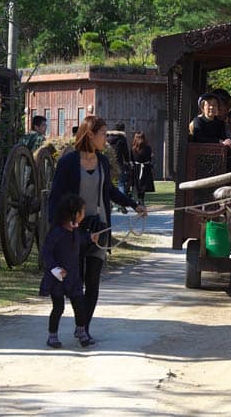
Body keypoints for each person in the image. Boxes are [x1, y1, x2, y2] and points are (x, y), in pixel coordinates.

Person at [48, 115, 146, 343]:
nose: (106, 138)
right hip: (74, 230)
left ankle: (83, 327)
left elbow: (110, 191)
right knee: (75, 280)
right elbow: (55, 199)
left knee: (92, 281)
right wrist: (59, 228)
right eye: (103, 134)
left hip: (100, 228)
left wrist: (133, 204)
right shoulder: (68, 162)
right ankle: (70, 325)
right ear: (90, 135)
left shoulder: (102, 161)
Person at [39, 193, 96, 348]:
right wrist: (55, 269)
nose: (84, 215)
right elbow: (46, 252)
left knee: (80, 305)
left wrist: (91, 238)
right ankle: (52, 336)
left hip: (73, 277)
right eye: (82, 211)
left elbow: (82, 240)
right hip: (57, 278)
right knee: (58, 307)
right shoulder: (56, 232)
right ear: (75, 214)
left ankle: (81, 331)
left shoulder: (75, 231)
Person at [106, 122, 131, 197]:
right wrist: (127, 161)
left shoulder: (107, 137)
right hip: (119, 163)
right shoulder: (122, 138)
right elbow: (125, 152)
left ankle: (110, 203)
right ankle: (121, 203)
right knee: (121, 183)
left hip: (108, 163)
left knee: (109, 183)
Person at [130, 130, 155, 201]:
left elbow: (131, 159)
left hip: (137, 168)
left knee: (138, 184)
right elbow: (149, 158)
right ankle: (141, 199)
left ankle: (139, 199)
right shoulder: (148, 148)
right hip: (145, 167)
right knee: (143, 184)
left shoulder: (133, 148)